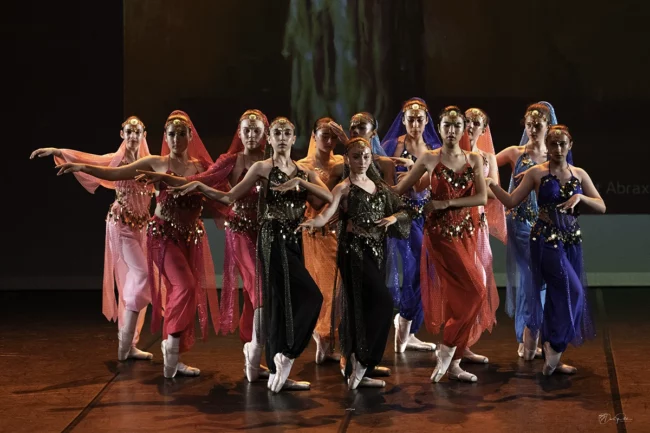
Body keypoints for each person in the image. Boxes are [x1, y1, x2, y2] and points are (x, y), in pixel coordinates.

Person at [55, 110, 220, 378]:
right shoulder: (154, 163)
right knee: (169, 283)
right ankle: (158, 346)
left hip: (185, 237)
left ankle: (149, 346)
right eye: (171, 134)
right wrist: (79, 165)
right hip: (153, 234)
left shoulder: (199, 166)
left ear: (190, 136)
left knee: (175, 291)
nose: (177, 138)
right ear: (165, 137)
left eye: (182, 133)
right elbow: (112, 171)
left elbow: (222, 186)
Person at [487, 125, 603, 375]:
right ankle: (554, 347)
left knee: (558, 296)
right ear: (548, 146)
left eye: (563, 144)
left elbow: (601, 205)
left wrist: (580, 198)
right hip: (545, 240)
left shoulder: (579, 174)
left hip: (571, 241)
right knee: (572, 291)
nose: (558, 149)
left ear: (570, 145)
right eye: (553, 144)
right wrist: (491, 185)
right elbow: (510, 201)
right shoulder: (535, 173)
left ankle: (551, 349)